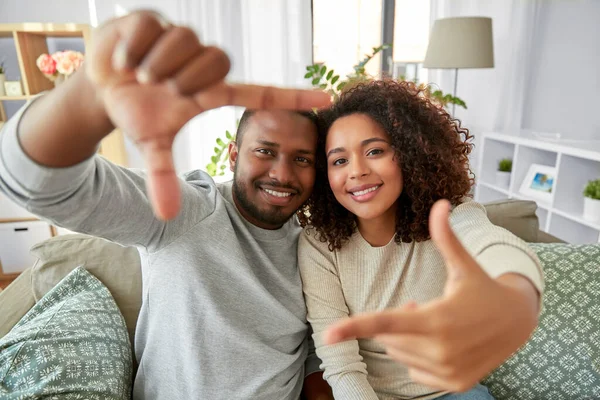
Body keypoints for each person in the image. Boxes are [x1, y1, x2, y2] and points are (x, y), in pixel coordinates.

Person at [0, 11, 334, 400]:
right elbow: (38, 185)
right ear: (233, 155)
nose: (282, 174)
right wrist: (90, 99)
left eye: (302, 159)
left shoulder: (313, 247)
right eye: (265, 151)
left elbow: (315, 352)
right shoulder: (189, 211)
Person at [297, 80, 544, 400]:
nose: (356, 171)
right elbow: (342, 367)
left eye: (375, 151)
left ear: (409, 153)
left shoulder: (449, 216)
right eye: (339, 160)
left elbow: (493, 244)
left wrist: (516, 294)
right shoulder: (318, 244)